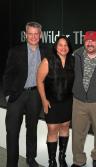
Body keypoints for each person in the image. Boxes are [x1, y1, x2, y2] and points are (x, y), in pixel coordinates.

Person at [3, 21, 47, 167]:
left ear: (40, 35)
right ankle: (11, 163)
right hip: (17, 95)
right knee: (12, 131)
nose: (33, 37)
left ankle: (30, 158)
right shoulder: (15, 51)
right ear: (25, 34)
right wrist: (8, 94)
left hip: (35, 95)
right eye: (30, 33)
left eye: (36, 34)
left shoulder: (46, 51)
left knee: (32, 129)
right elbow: (8, 75)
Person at [37, 36, 74, 167]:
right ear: (55, 46)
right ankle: (52, 161)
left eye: (66, 45)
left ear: (69, 47)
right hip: (51, 102)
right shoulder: (48, 61)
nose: (63, 47)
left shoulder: (73, 61)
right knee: (52, 129)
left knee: (65, 127)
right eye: (60, 45)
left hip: (67, 101)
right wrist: (44, 100)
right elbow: (39, 81)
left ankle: (62, 157)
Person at [71, 31, 96, 167]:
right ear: (84, 42)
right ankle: (78, 160)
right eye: (87, 41)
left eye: (93, 41)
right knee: (77, 133)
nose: (90, 43)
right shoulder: (76, 54)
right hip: (79, 101)